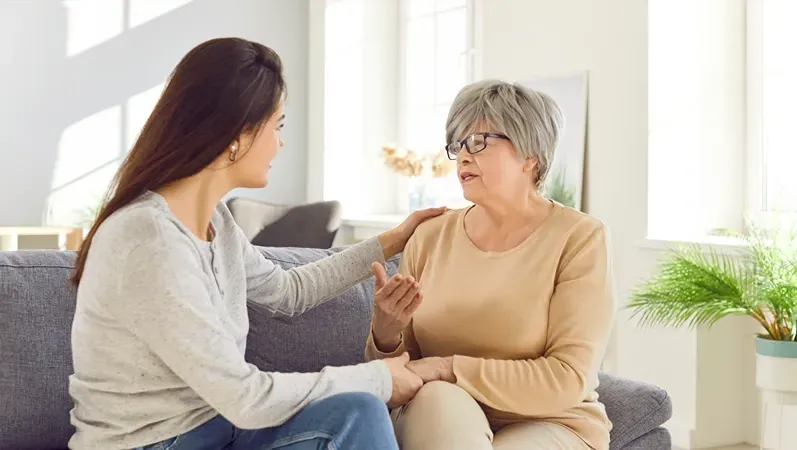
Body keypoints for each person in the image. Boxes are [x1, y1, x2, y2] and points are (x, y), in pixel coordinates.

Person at [67, 38, 445, 450]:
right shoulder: (148, 240)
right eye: (277, 125)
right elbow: (245, 398)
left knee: (358, 413)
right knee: (366, 402)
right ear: (238, 133)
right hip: (154, 443)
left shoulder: (216, 221)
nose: (280, 143)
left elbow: (288, 292)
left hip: (218, 428)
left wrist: (394, 240)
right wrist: (379, 378)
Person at [365, 80, 616, 450]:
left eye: (479, 142)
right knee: (436, 399)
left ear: (531, 156)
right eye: (458, 145)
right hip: (440, 413)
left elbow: (566, 378)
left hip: (551, 421)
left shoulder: (580, 238)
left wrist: (447, 367)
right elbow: (400, 375)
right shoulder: (430, 237)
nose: (463, 156)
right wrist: (385, 333)